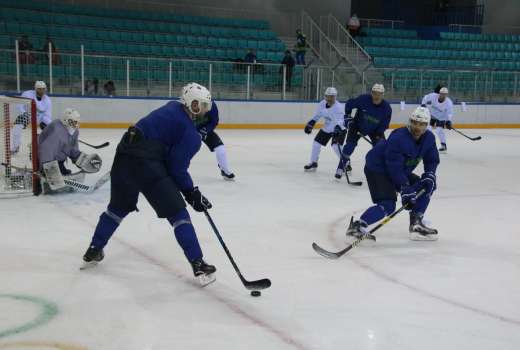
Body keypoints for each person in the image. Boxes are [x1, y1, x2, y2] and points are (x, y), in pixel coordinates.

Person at [82, 82, 217, 286]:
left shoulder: (171, 106)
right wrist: (191, 193)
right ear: (192, 104)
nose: (204, 111)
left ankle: (94, 249)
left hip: (124, 153)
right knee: (178, 214)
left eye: (207, 107)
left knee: (116, 209)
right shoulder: (191, 135)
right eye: (202, 105)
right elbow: (176, 168)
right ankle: (197, 263)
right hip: (147, 164)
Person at [347, 106, 440, 242]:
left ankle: (416, 224)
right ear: (410, 122)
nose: (417, 127)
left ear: (426, 125)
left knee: (427, 185)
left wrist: (430, 174)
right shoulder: (399, 137)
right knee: (388, 205)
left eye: (421, 124)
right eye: (414, 122)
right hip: (378, 168)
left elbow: (432, 159)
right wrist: (404, 187)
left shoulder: (429, 138)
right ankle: (356, 227)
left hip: (400, 170)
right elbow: (393, 165)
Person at [38, 108, 102, 193]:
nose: (76, 125)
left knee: (64, 173)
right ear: (66, 121)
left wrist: (81, 159)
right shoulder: (57, 132)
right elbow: (46, 151)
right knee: (54, 170)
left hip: (58, 159)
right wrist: (48, 170)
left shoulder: (74, 131)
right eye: (74, 122)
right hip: (46, 159)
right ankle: (48, 170)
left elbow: (72, 148)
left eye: (77, 122)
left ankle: (59, 167)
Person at [336, 83, 392, 178]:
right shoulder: (364, 99)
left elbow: (385, 124)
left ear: (383, 94)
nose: (376, 96)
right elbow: (349, 104)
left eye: (379, 93)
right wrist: (347, 117)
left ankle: (378, 170)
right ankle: (341, 167)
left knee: (381, 148)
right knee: (349, 146)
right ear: (371, 93)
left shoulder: (387, 108)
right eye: (374, 93)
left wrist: (379, 133)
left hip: (375, 130)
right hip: (357, 126)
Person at [303, 87, 346, 174]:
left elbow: (341, 121)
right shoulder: (322, 104)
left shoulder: (339, 107)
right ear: (325, 96)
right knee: (316, 143)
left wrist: (337, 129)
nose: (329, 99)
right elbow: (317, 115)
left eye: (332, 97)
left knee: (335, 146)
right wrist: (311, 123)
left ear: (335, 97)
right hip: (327, 127)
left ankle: (346, 163)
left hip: (339, 128)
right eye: (327, 96)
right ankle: (313, 162)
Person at [193, 96, 235, 180]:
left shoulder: (212, 105)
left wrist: (206, 130)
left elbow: (214, 121)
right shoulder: (188, 105)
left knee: (221, 150)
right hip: (190, 130)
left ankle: (225, 170)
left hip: (205, 131)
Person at [10, 81, 52, 154]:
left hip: (40, 117)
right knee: (16, 128)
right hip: (27, 115)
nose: (42, 91)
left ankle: (48, 148)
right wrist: (24, 113)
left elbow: (47, 114)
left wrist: (49, 124)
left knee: (51, 129)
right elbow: (19, 105)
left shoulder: (47, 100)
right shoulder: (27, 94)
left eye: (43, 89)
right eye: (39, 89)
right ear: (35, 89)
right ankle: (15, 147)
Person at [421, 87, 454, 153]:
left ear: (447, 95)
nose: (443, 95)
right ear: (439, 93)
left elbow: (449, 113)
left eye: (445, 94)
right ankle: (426, 145)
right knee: (427, 130)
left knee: (439, 131)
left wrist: (448, 122)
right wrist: (423, 104)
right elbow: (425, 98)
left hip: (441, 118)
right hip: (431, 115)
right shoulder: (433, 96)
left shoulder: (449, 103)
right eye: (442, 94)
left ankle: (443, 146)